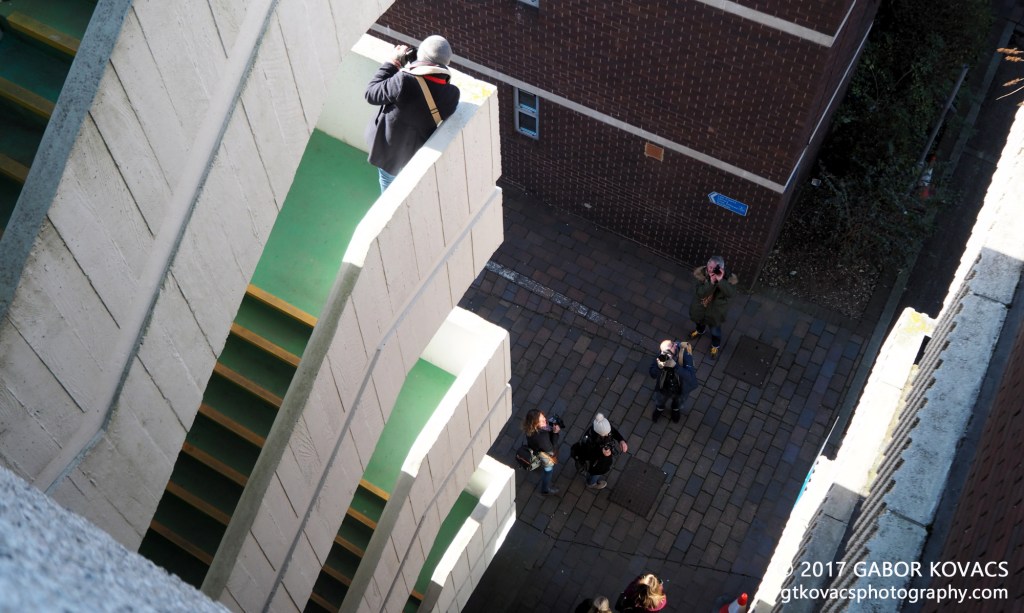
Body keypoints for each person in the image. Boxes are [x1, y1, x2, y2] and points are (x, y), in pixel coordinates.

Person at [364, 35, 461, 192]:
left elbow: (371, 94)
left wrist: (393, 63)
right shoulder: (452, 94)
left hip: (389, 151)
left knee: (388, 184)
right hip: (416, 155)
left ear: (421, 56)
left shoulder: (403, 80)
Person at [688, 255, 739, 359]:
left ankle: (715, 345)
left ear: (721, 269)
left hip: (715, 312)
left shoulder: (728, 279)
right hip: (701, 308)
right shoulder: (700, 275)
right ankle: (700, 331)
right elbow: (700, 293)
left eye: (715, 268)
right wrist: (711, 283)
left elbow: (730, 293)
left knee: (715, 331)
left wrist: (720, 281)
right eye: (709, 267)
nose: (711, 270)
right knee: (699, 322)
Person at [649, 339, 698, 423]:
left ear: (675, 345)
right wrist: (659, 367)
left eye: (668, 350)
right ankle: (659, 409)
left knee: (679, 401)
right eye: (663, 351)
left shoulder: (685, 354)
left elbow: (690, 377)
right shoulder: (661, 355)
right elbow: (652, 374)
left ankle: (675, 410)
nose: (666, 354)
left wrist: (675, 366)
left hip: (681, 388)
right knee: (660, 400)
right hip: (665, 387)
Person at [575, 413, 628, 490]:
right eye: (605, 435)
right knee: (595, 474)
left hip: (598, 460)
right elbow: (592, 459)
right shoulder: (589, 442)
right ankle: (591, 483)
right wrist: (606, 456)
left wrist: (621, 440)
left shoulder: (604, 427)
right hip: (595, 465)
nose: (608, 435)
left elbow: (613, 431)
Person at [522, 409, 561, 495]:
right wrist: (555, 433)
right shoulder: (542, 437)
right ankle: (545, 489)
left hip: (535, 448)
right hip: (543, 454)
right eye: (540, 421)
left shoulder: (529, 428)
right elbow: (551, 450)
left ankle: (537, 464)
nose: (544, 420)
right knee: (548, 470)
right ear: (535, 424)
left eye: (542, 416)